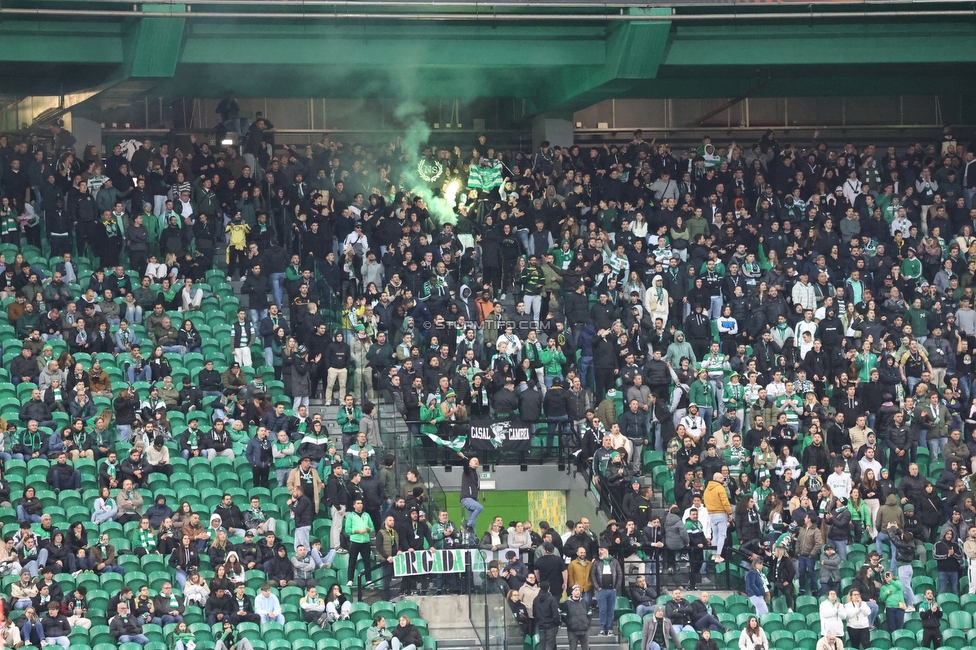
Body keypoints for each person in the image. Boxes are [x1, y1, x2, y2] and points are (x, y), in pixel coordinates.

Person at [590, 545, 621, 636]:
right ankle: (602, 629)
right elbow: (593, 576)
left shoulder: (615, 561)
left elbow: (619, 575)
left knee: (611, 611)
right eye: (599, 550)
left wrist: (616, 587)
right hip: (602, 590)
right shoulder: (597, 562)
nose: (600, 552)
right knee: (602, 610)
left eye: (602, 550)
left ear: (607, 550)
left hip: (612, 590)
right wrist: (597, 587)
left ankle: (609, 628)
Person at [534, 581, 561, 650]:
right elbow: (555, 613)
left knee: (542, 644)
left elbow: (534, 613)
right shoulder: (552, 599)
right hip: (551, 625)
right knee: (550, 644)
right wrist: (558, 622)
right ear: (549, 588)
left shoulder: (536, 599)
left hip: (541, 625)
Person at [563, 584, 591, 650]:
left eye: (579, 590)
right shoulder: (566, 603)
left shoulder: (584, 602)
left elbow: (589, 614)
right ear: (572, 592)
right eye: (576, 590)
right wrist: (570, 624)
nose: (578, 592)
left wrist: (587, 623)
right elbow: (563, 616)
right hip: (572, 631)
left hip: (584, 630)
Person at [459, 454, 483, 531]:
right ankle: (468, 525)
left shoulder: (476, 474)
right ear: (470, 463)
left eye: (478, 461)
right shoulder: (468, 471)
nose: (477, 462)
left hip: (473, 499)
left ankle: (472, 541)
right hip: (467, 498)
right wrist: (463, 457)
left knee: (473, 524)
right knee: (479, 507)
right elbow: (465, 464)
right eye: (474, 460)